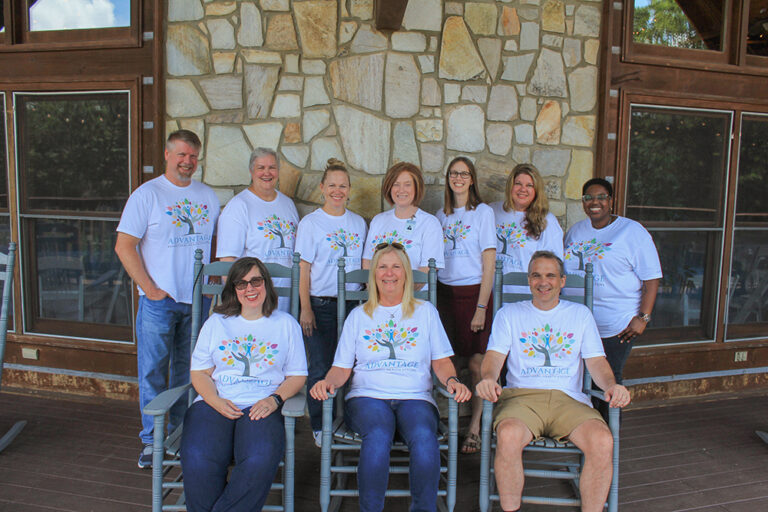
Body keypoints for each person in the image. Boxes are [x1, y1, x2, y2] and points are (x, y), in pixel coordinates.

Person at [311, 244, 471, 512]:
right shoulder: (358, 316)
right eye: (382, 267)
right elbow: (341, 368)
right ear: (374, 274)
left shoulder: (425, 312)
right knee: (378, 434)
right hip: (367, 397)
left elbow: (441, 362)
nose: (389, 273)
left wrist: (453, 382)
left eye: (396, 266)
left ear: (406, 273)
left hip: (416, 397)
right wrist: (328, 382)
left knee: (423, 435)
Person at [476, 251, 631, 512]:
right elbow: (493, 357)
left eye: (550, 275)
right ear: (529, 280)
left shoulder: (580, 315)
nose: (543, 282)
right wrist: (488, 378)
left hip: (569, 401)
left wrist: (611, 386)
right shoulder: (509, 313)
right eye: (536, 275)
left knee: (602, 441)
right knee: (509, 434)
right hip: (522, 399)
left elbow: (597, 363)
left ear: (562, 281)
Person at [115, 129, 220, 468]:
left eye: (193, 156)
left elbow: (214, 243)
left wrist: (212, 282)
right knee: (153, 372)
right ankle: (153, 440)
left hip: (198, 298)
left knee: (189, 371)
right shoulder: (148, 195)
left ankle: (181, 434)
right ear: (167, 154)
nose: (187, 161)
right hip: (160, 301)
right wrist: (151, 289)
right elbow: (124, 245)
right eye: (181, 155)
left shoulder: (208, 196)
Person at [180, 258, 307, 512]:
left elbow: (297, 375)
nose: (250, 289)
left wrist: (275, 399)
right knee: (197, 458)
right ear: (234, 290)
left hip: (262, 405)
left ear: (266, 285)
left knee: (259, 460)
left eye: (256, 281)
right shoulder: (217, 323)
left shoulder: (285, 324)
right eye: (241, 283)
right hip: (214, 402)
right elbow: (199, 373)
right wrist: (215, 401)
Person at [564, 178, 661, 417]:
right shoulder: (576, 231)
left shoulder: (632, 231)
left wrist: (643, 317)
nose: (594, 202)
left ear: (611, 201)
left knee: (607, 381)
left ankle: (606, 439)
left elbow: (651, 279)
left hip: (617, 324)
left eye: (600, 197)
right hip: (580, 321)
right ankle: (586, 431)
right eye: (588, 197)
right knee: (579, 382)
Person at [295, 158, 367, 446]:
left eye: (343, 186)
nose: (338, 191)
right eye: (332, 185)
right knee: (321, 366)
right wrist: (306, 307)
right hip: (321, 305)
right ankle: (320, 425)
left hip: (352, 306)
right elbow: (304, 268)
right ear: (322, 188)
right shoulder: (311, 223)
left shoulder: (359, 223)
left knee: (349, 366)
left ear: (349, 191)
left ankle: (348, 420)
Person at [435, 156, 496, 454]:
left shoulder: (482, 213)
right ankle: (447, 428)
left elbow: (489, 263)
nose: (458, 178)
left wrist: (482, 306)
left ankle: (475, 428)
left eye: (464, 173)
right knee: (449, 363)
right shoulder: (440, 215)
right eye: (453, 173)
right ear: (448, 179)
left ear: (472, 179)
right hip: (445, 296)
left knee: (476, 363)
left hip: (474, 295)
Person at [216, 147, 299, 312]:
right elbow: (227, 261)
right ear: (251, 171)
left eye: (272, 167)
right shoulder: (239, 206)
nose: (267, 173)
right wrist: (239, 303)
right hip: (253, 303)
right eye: (261, 168)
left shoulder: (287, 204)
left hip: (286, 301)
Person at [490, 163, 563, 294]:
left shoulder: (547, 221)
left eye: (529, 185)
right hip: (492, 294)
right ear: (510, 186)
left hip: (525, 296)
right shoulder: (492, 211)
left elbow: (554, 266)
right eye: (518, 183)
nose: (523, 189)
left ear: (536, 190)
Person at [362, 162, 444, 274]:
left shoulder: (430, 224)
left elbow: (427, 271)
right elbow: (367, 261)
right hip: (378, 291)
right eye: (396, 184)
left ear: (417, 187)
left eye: (407, 184)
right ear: (389, 187)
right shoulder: (378, 221)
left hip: (414, 291)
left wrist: (403, 292)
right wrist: (374, 290)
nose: (401, 190)